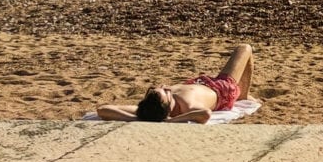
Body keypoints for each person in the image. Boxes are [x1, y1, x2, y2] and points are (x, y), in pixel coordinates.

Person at [96, 44, 254, 123]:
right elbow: (205, 114)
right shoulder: (187, 106)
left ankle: (244, 94)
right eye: (162, 91)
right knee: (244, 48)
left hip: (200, 83)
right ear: (165, 103)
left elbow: (103, 110)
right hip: (221, 88)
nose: (162, 86)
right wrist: (171, 121)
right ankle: (243, 95)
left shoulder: (146, 112)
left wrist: (137, 119)